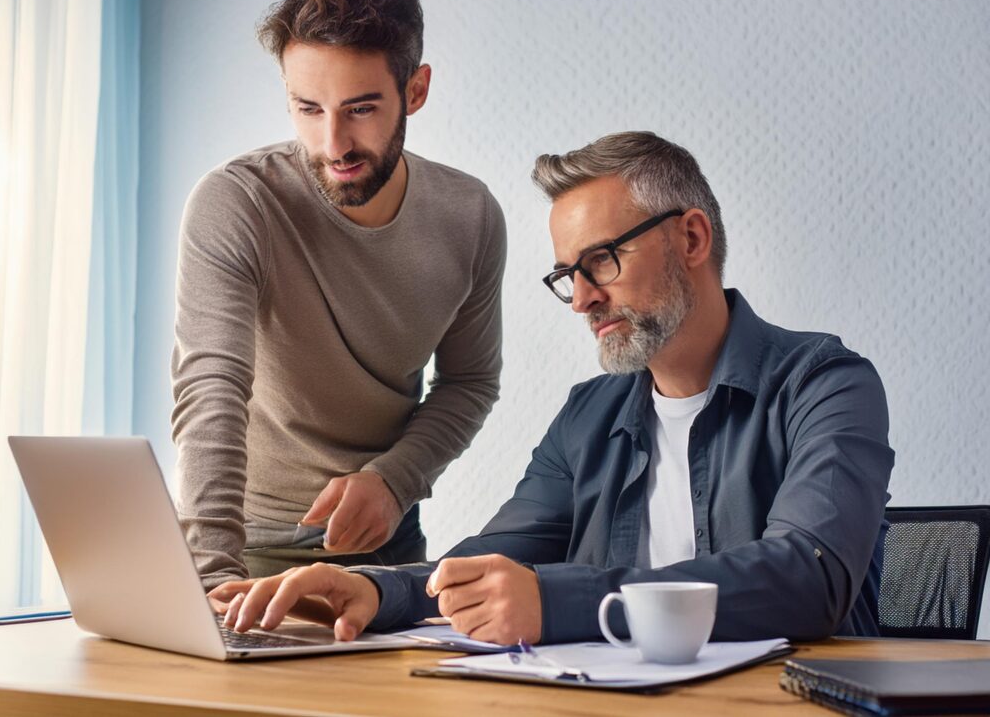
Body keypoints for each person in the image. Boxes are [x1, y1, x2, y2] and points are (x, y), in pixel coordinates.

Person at [210, 131, 894, 645]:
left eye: (602, 260)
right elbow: (492, 558)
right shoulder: (588, 416)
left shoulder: (826, 386)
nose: (581, 301)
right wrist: (368, 587)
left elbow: (808, 580)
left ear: (690, 237)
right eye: (569, 274)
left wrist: (560, 604)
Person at [172, 0, 506, 590]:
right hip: (243, 554)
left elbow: (470, 381)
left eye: (360, 108)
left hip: (389, 555)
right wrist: (212, 577)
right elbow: (211, 385)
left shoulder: (472, 216)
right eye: (308, 108)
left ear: (416, 89)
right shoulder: (237, 202)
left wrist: (393, 482)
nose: (333, 143)